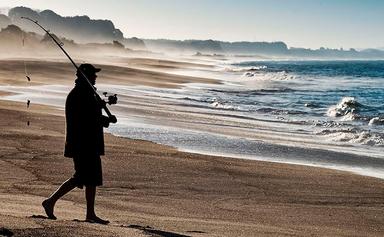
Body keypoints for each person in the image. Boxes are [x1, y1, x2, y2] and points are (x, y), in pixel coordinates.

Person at [42, 63, 112, 224]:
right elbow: (87, 119)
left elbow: (91, 114)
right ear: (85, 76)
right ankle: (50, 201)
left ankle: (90, 213)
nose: (95, 78)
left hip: (87, 143)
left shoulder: (85, 93)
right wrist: (106, 118)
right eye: (93, 75)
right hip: (83, 143)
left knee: (91, 178)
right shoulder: (81, 94)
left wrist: (102, 106)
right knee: (81, 177)